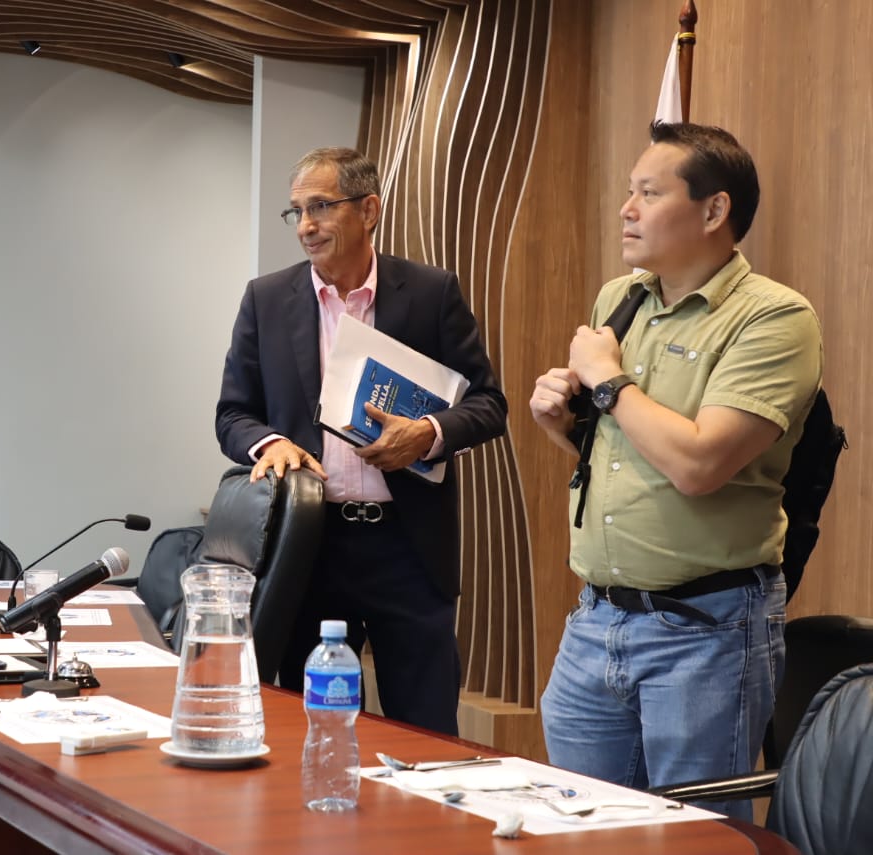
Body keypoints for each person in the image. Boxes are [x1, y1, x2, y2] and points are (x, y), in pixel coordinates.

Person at [529, 122, 822, 820]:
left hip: (705, 630)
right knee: (578, 828)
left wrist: (607, 381)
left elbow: (697, 465)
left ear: (714, 210)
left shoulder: (774, 318)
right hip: (596, 618)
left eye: (649, 193)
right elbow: (626, 453)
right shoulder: (621, 299)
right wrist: (564, 424)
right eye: (628, 192)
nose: (626, 209)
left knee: (694, 836)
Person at [215, 146, 507, 735]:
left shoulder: (430, 293)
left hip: (408, 548)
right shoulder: (267, 300)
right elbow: (233, 414)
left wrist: (427, 434)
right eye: (297, 211)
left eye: (321, 206)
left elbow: (488, 404)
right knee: (309, 726)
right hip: (308, 545)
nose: (306, 225)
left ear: (369, 210)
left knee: (425, 731)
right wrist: (271, 443)